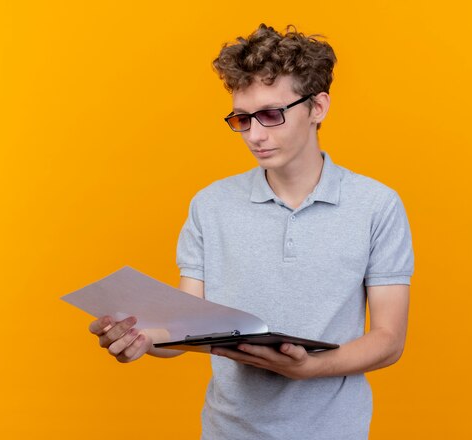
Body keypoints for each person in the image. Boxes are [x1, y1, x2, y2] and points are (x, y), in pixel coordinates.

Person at [89, 24, 414, 440]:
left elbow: (388, 339)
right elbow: (186, 322)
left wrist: (310, 368)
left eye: (271, 115)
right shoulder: (210, 205)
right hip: (228, 430)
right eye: (242, 119)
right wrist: (140, 338)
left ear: (318, 107)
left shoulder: (376, 205)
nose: (255, 135)